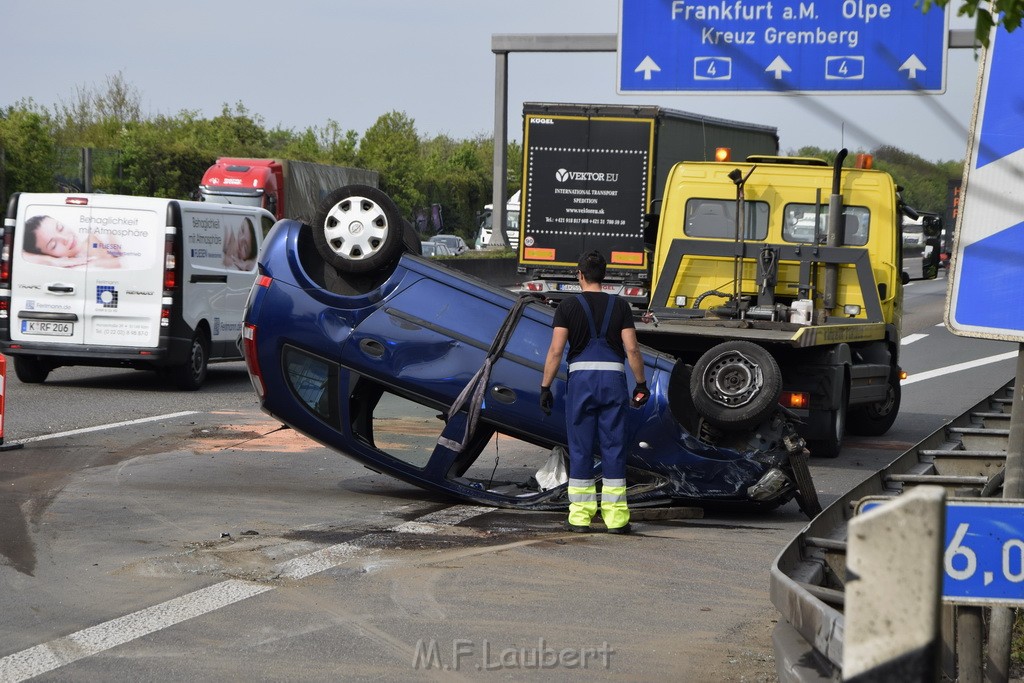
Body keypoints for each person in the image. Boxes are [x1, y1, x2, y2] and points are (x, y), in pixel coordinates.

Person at [540, 250, 650, 534]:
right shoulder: (621, 307)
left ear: (579, 275)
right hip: (613, 381)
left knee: (580, 448)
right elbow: (632, 349)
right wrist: (640, 383)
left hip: (581, 383)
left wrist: (545, 386)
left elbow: (555, 351)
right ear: (605, 275)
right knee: (614, 448)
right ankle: (616, 519)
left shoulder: (567, 307)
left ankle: (580, 517)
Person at [22, 215, 121, 268]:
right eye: (53, 245)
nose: (65, 239)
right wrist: (52, 262)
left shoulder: (98, 235)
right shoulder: (64, 267)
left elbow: (118, 264)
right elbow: (20, 254)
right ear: (47, 255)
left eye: (60, 228)